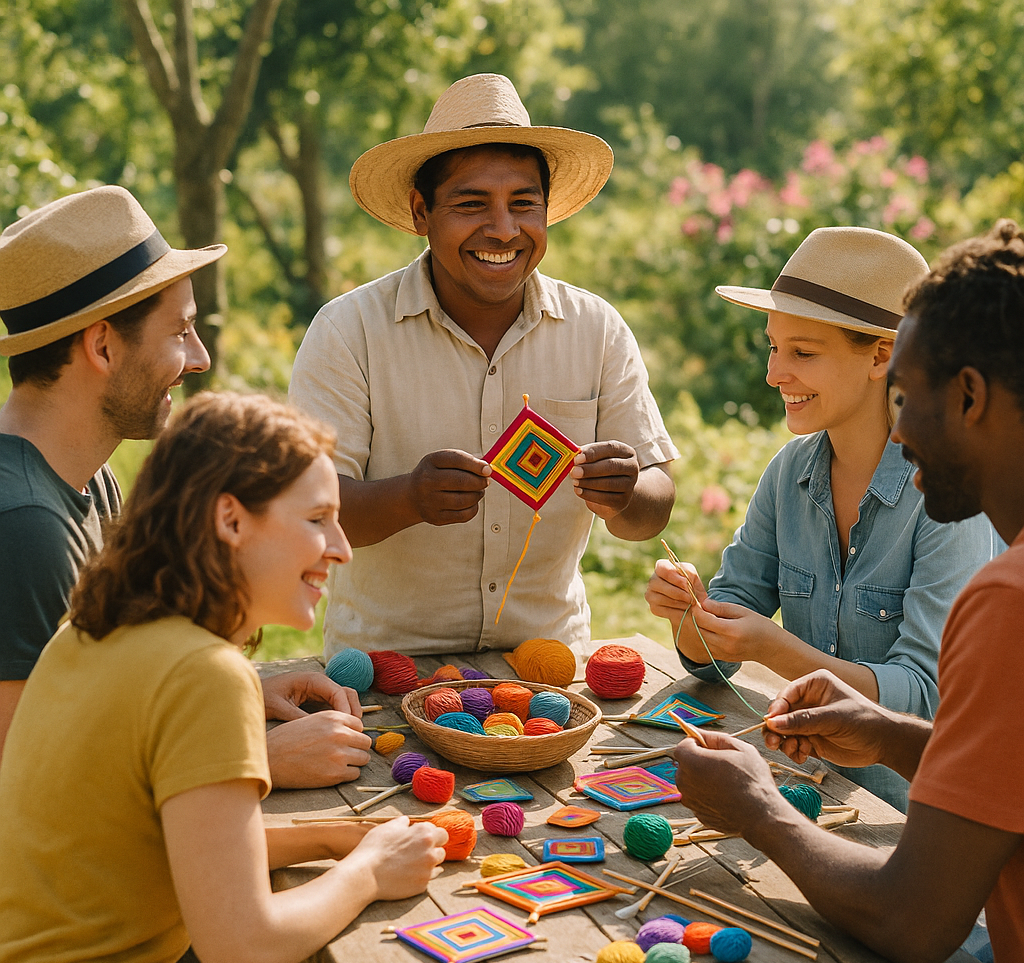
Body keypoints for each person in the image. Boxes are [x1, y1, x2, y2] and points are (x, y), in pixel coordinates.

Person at [0, 392, 449, 963]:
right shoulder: (205, 674)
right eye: (318, 519)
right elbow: (243, 949)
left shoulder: (102, 627)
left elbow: (164, 839)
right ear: (231, 521)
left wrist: (339, 838)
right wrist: (369, 874)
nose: (342, 548)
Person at [671, 220, 1024, 963]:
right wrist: (888, 732)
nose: (896, 431)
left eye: (909, 394)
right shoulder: (795, 473)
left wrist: (757, 810)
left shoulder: (1008, 598)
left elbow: (913, 922)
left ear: (967, 396)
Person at [290, 74, 678, 657]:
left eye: (524, 203)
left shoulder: (596, 330)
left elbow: (653, 504)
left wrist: (626, 492)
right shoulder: (349, 332)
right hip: (385, 670)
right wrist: (408, 498)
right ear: (422, 212)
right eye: (471, 204)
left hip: (549, 671)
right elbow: (311, 513)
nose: (503, 229)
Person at [0, 186, 370, 787]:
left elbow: (96, 701)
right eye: (180, 332)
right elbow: (29, 777)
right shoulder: (23, 524)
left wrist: (239, 694)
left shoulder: (86, 478)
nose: (199, 357)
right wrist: (250, 761)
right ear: (102, 345)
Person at [645, 226, 998, 809]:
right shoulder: (791, 473)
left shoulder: (950, 498)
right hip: (809, 795)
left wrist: (771, 647)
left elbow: (923, 698)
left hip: (913, 823)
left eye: (802, 352)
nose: (774, 373)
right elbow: (714, 657)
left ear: (881, 356)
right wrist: (690, 612)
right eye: (772, 346)